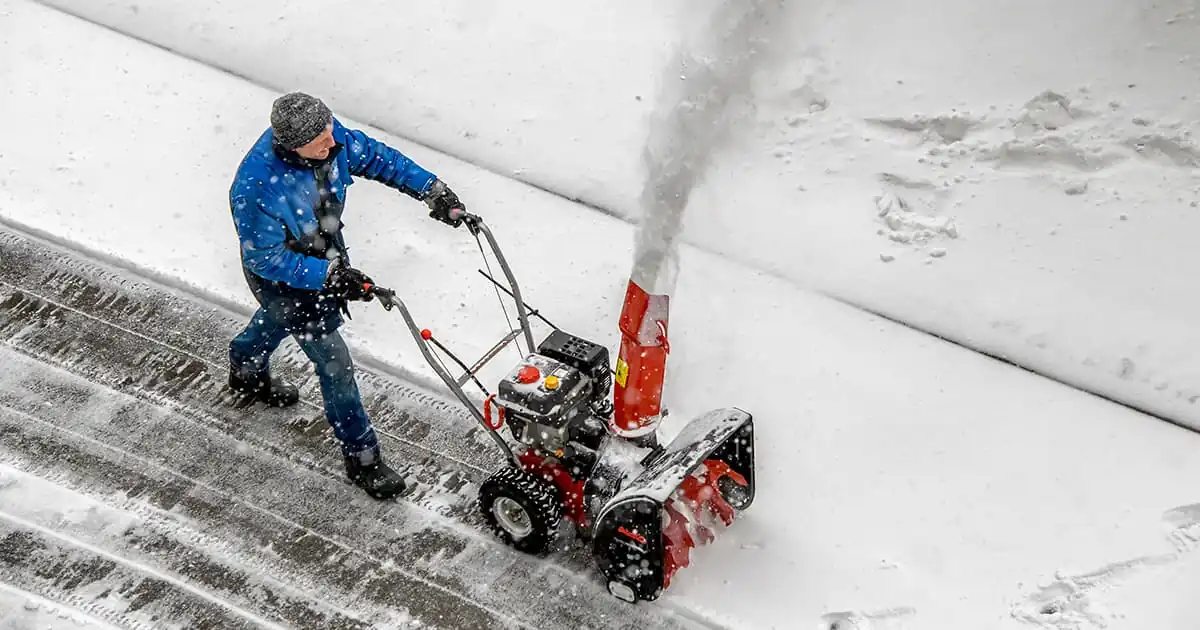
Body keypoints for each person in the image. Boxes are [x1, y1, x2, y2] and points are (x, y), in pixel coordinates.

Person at [226, 91, 471, 500]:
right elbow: (265, 258)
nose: (332, 139)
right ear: (293, 146)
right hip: (281, 277)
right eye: (320, 137)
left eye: (329, 127)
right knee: (335, 364)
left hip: (322, 251)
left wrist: (432, 190)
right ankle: (363, 458)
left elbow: (378, 158)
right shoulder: (256, 188)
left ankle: (244, 366)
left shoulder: (329, 137)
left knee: (277, 320)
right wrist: (331, 277)